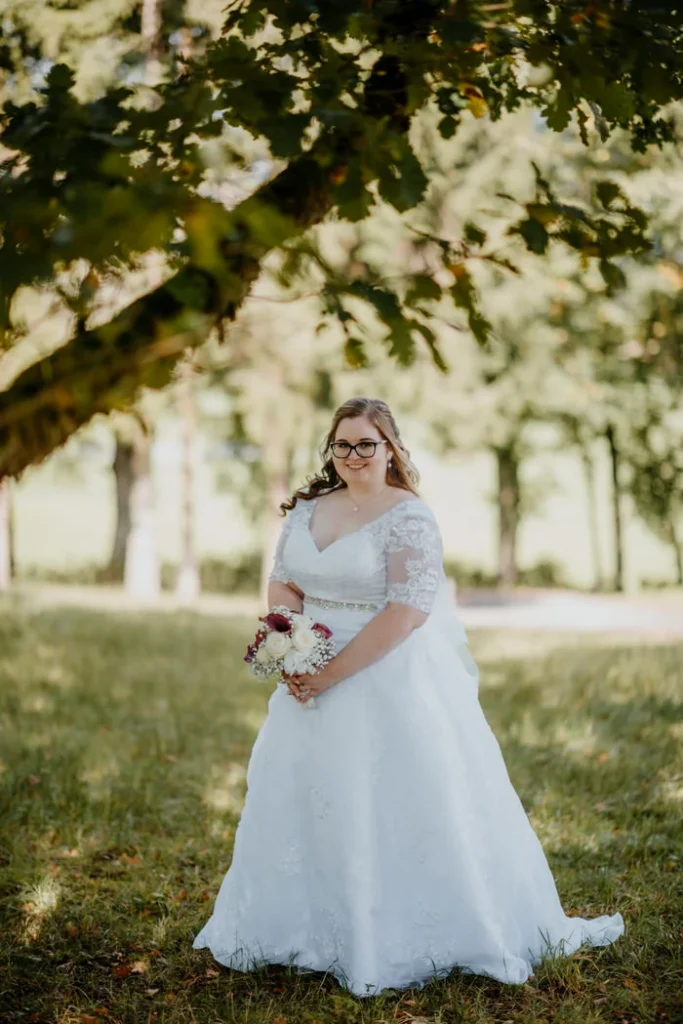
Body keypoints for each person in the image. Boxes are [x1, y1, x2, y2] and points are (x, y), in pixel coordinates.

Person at [192, 396, 624, 997]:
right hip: (306, 673)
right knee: (305, 796)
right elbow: (284, 579)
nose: (352, 456)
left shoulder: (408, 517)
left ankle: (390, 934)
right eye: (341, 445)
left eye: (365, 444)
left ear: (390, 447)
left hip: (381, 675)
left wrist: (331, 671)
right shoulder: (308, 509)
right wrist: (286, 638)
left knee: (386, 801)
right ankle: (303, 927)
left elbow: (407, 611)